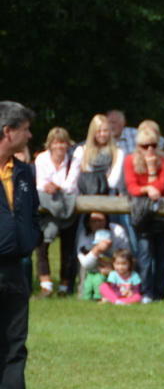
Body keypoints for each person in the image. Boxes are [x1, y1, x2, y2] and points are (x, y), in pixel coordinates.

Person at [0, 102, 49, 389]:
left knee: (15, 338)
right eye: (26, 129)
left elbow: (32, 214)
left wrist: (30, 238)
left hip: (16, 266)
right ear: (8, 131)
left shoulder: (25, 171)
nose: (30, 134)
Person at [123, 121, 164, 302]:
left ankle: (159, 294)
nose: (150, 149)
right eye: (145, 146)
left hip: (161, 215)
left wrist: (152, 171)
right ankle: (146, 292)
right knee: (144, 253)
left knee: (161, 255)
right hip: (141, 214)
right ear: (138, 147)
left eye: (154, 145)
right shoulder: (129, 160)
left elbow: (160, 188)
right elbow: (132, 187)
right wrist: (147, 189)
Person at [34, 126, 80, 295]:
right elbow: (40, 184)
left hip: (67, 205)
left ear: (68, 144)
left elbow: (71, 185)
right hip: (47, 207)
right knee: (41, 245)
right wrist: (52, 188)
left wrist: (55, 187)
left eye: (63, 143)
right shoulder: (41, 159)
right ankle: (46, 284)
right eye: (56, 143)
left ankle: (64, 286)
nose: (59, 146)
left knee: (68, 248)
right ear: (50, 144)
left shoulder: (74, 161)